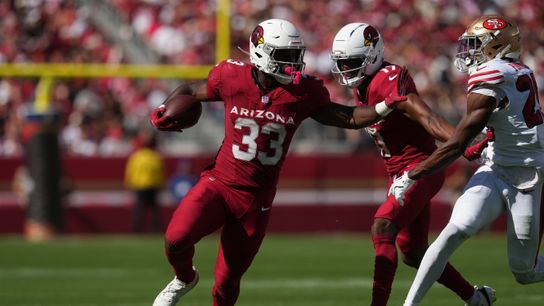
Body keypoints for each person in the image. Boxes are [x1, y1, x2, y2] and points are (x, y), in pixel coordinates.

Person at [148, 18, 406, 306]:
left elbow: (348, 117)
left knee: (227, 281)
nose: (293, 64)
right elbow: (190, 92)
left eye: (296, 56)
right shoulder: (231, 76)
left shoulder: (303, 93)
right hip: (219, 183)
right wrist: (163, 108)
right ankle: (184, 277)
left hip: (255, 200)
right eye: (285, 57)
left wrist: (386, 105)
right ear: (260, 53)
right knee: (176, 238)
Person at [329, 22, 494, 306]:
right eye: (342, 64)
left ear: (372, 57)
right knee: (413, 252)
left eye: (352, 62)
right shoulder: (364, 84)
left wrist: (461, 141)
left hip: (421, 168)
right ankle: (476, 299)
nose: (346, 70)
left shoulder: (388, 78)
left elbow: (426, 118)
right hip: (399, 174)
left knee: (383, 226)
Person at [389, 15, 544, 306]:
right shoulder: (515, 70)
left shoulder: (492, 75)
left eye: (476, 45)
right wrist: (487, 143)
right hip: (496, 168)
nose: (469, 52)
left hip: (528, 177)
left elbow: (458, 142)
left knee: (525, 271)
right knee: (454, 231)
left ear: (496, 46)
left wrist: (412, 175)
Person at [124, 128, 165, 233]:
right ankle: (155, 230)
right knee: (154, 211)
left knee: (140, 209)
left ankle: (137, 230)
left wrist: (129, 184)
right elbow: (160, 172)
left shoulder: (136, 156)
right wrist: (161, 184)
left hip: (140, 186)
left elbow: (130, 172)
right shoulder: (156, 156)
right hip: (152, 186)